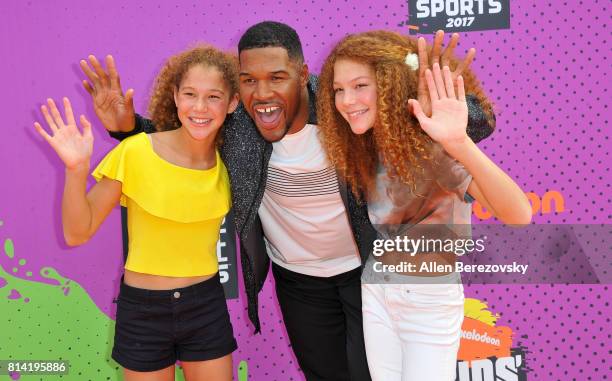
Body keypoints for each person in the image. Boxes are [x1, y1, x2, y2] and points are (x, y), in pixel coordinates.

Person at [79, 22, 494, 380]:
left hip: (365, 271)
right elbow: (185, 136)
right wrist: (129, 128)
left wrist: (443, 99)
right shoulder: (237, 125)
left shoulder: (341, 106)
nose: (262, 93)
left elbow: (472, 125)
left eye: (277, 77)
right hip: (298, 282)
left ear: (303, 75)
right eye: (248, 79)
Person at [316, 30, 532, 381]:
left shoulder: (433, 145)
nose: (346, 100)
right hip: (376, 291)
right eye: (338, 89)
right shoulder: (367, 145)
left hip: (428, 301)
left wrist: (459, 142)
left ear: (389, 84)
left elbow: (519, 214)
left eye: (359, 86)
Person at [34, 45, 240, 381]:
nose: (200, 107)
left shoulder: (230, 163)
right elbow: (77, 232)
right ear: (174, 96)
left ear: (232, 103)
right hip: (144, 311)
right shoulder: (136, 151)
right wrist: (76, 169)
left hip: (206, 305)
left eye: (213, 97)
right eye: (190, 94)